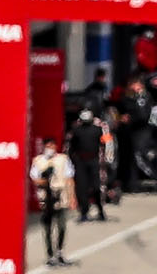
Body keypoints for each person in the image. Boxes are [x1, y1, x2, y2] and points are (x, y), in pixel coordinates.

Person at [29, 137, 75, 265]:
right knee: (48, 227)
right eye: (48, 146)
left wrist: (72, 197)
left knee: (61, 225)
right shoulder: (38, 161)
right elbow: (34, 179)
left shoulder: (63, 159)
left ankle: (59, 251)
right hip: (46, 197)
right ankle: (50, 255)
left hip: (61, 195)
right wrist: (45, 178)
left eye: (52, 146)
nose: (50, 148)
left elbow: (69, 178)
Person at [66, 103, 108, 220]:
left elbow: (105, 144)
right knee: (82, 188)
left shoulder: (98, 130)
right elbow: (72, 146)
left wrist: (105, 159)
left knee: (96, 186)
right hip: (80, 161)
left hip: (94, 160)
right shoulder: (76, 130)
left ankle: (100, 210)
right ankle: (84, 212)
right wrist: (73, 159)